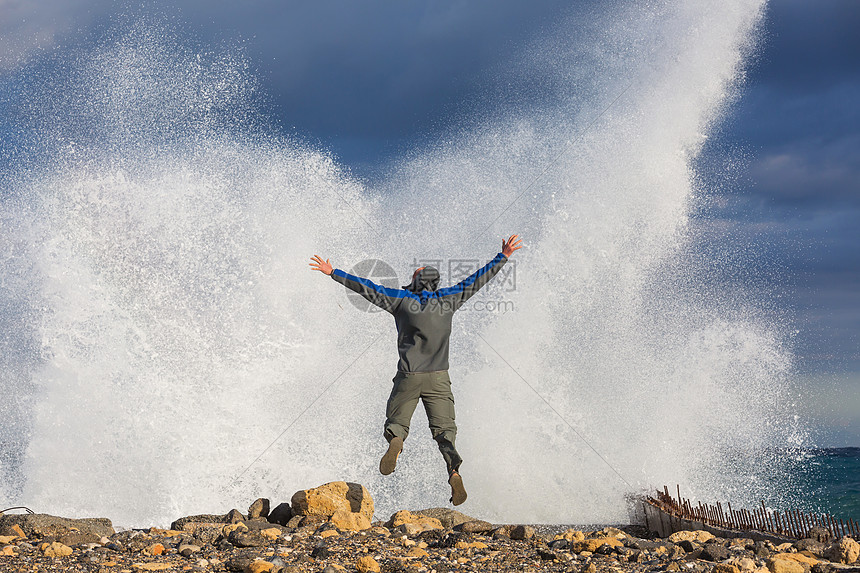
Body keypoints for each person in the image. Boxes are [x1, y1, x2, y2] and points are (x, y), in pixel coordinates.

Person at [309, 234, 523, 505]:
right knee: (445, 430)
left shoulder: (400, 299)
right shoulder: (449, 298)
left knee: (397, 421)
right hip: (438, 378)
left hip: (408, 376)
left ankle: (396, 441)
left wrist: (333, 272)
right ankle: (453, 470)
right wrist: (502, 256)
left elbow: (367, 287)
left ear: (415, 282)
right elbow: (478, 280)